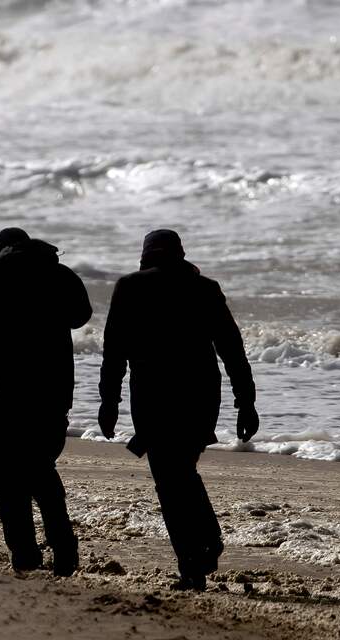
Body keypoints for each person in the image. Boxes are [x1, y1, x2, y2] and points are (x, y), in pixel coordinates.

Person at [97, 229, 259, 590]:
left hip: (153, 398)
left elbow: (114, 352)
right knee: (181, 471)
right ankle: (203, 546)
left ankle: (195, 562)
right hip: (200, 397)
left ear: (146, 254)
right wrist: (245, 401)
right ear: (180, 254)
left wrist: (109, 401)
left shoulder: (130, 287)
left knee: (171, 481)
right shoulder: (204, 288)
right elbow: (232, 349)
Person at [0, 227, 92, 574]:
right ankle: (65, 548)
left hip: (9, 391)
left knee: (8, 478)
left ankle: (25, 555)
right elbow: (80, 316)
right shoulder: (60, 273)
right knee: (41, 468)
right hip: (54, 391)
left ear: (0, 249)